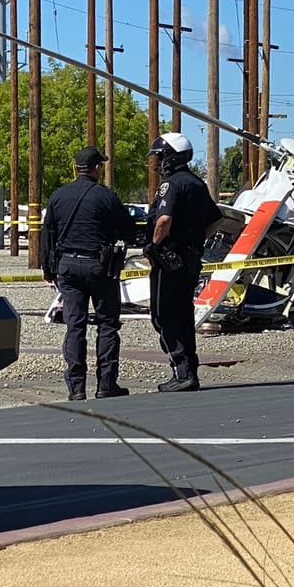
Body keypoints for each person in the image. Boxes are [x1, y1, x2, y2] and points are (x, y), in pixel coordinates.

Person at [40, 146, 135, 402]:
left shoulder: (58, 196)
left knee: (75, 326)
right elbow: (128, 230)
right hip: (99, 266)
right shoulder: (106, 197)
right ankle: (106, 383)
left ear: (76, 167)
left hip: (68, 266)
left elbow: (47, 234)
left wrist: (47, 269)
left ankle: (76, 387)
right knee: (107, 324)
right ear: (95, 168)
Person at [144, 132, 222, 392]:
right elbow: (216, 220)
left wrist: (154, 246)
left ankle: (182, 371)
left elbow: (164, 220)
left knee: (163, 315)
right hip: (190, 259)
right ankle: (189, 369)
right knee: (184, 314)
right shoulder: (198, 184)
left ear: (170, 158)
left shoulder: (171, 185)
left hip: (169, 261)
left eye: (160, 156)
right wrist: (196, 241)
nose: (157, 161)